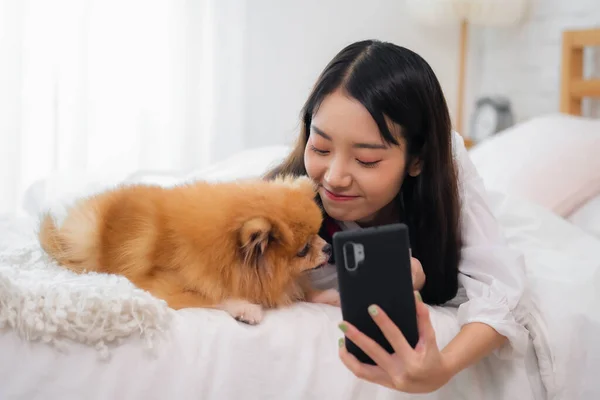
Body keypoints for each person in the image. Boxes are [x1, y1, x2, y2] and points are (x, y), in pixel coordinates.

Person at [264, 40, 531, 394]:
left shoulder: (446, 171)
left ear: (417, 160)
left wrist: (443, 367)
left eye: (367, 160)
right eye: (321, 147)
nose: (334, 177)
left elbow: (502, 297)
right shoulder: (283, 195)